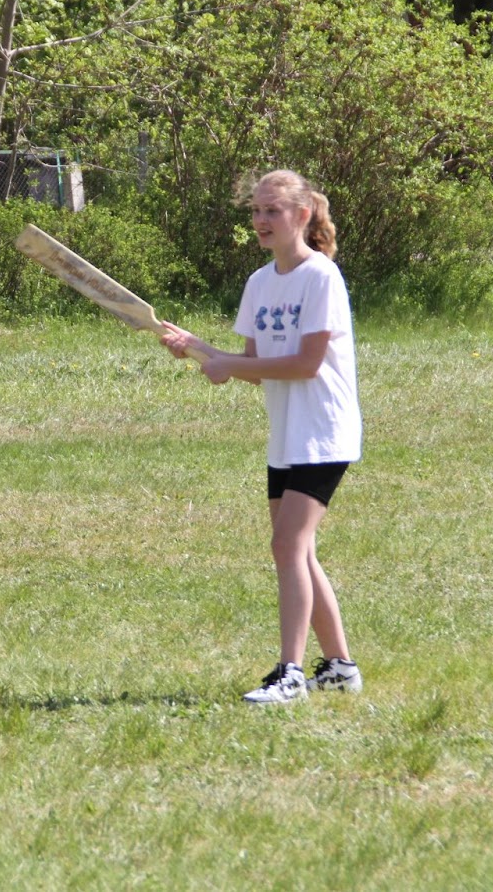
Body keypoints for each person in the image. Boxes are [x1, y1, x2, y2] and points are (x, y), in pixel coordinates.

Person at [160, 169, 363, 705]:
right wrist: (202, 349)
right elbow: (252, 365)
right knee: (298, 551)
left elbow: (305, 364)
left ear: (301, 215)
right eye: (255, 211)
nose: (260, 220)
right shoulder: (259, 283)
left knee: (287, 545)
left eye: (272, 210)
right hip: (287, 437)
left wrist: (227, 363)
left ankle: (290, 673)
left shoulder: (321, 277)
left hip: (325, 433)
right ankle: (339, 666)